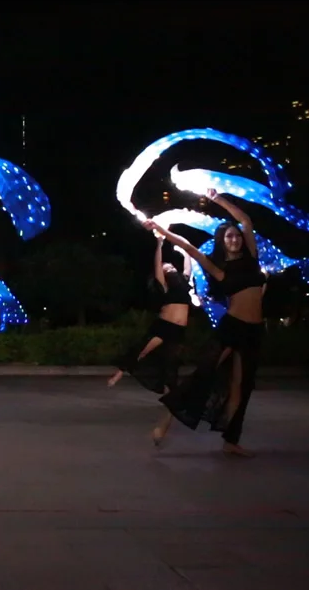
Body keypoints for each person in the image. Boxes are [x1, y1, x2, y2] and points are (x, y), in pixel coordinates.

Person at [147, 189, 266, 457]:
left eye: (236, 235)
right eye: (228, 236)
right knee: (203, 375)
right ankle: (165, 422)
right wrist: (161, 231)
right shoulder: (218, 268)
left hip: (255, 331)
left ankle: (231, 440)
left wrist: (218, 200)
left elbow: (246, 221)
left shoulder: (252, 259)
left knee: (241, 385)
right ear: (222, 242)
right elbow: (189, 248)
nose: (234, 238)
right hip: (232, 326)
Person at [108, 230, 191, 394]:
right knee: (143, 349)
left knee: (171, 362)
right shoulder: (166, 286)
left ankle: (170, 392)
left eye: (171, 265)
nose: (170, 266)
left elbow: (188, 266)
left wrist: (184, 251)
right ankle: (119, 373)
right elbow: (157, 265)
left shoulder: (184, 283)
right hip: (164, 325)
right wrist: (159, 244)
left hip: (178, 330)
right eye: (166, 267)